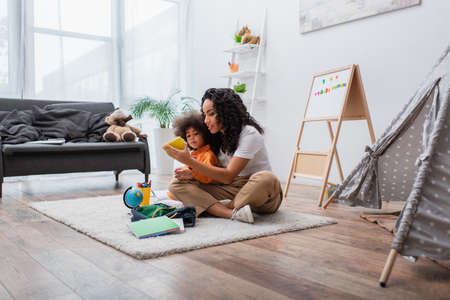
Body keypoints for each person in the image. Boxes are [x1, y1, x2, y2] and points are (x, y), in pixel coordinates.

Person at [163, 88, 283, 223]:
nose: (206, 120)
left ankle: (218, 208)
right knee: (176, 185)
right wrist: (194, 175)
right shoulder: (216, 137)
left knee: (267, 178)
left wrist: (189, 161)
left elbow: (227, 176)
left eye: (211, 114)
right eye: (204, 115)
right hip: (231, 188)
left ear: (226, 112)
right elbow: (220, 179)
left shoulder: (249, 134)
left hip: (259, 192)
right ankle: (231, 213)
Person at [172, 111, 218, 184]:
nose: (192, 138)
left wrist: (191, 174)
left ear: (205, 134)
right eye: (188, 136)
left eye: (196, 134)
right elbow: (188, 168)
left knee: (176, 185)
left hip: (205, 187)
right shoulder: (193, 154)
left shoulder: (208, 155)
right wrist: (182, 171)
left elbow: (208, 177)